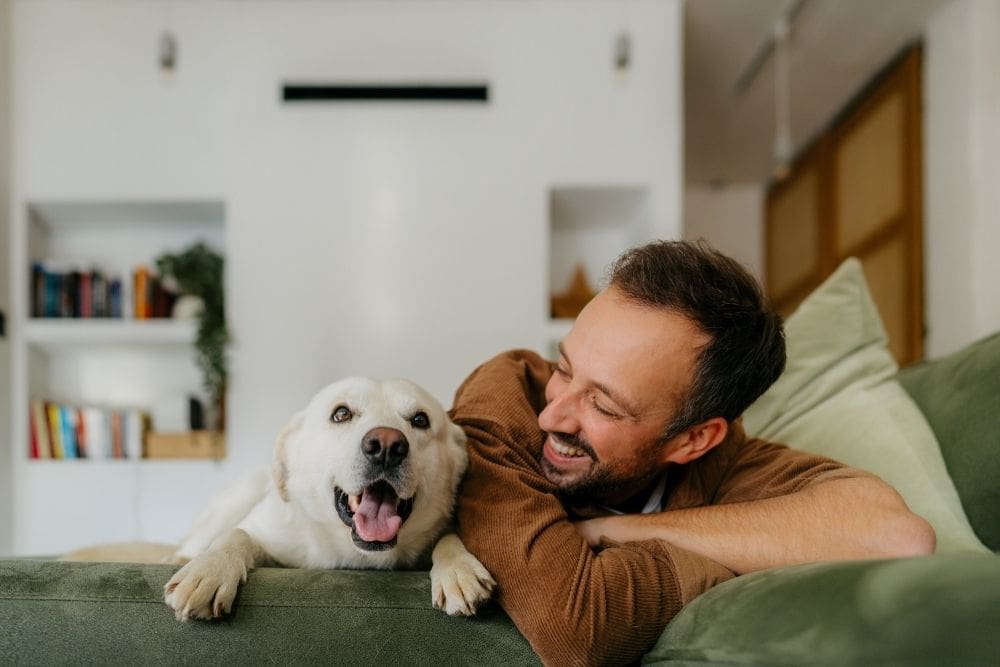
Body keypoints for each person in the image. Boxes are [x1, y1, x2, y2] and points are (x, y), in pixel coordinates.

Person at [450, 240, 935, 666]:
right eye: (564, 367)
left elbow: (898, 537)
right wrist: (720, 562)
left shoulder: (728, 462)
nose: (552, 416)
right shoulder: (503, 400)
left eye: (603, 404)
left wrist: (613, 530)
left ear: (694, 440)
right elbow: (577, 630)